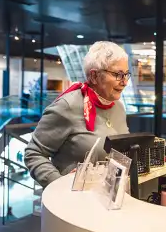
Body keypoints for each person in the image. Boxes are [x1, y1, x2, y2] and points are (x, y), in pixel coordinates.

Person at [24, 41, 130, 188]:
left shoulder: (118, 107)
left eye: (126, 74)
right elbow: (33, 154)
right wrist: (59, 184)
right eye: (118, 75)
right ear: (94, 76)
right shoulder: (67, 106)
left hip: (107, 200)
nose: (124, 82)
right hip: (73, 204)